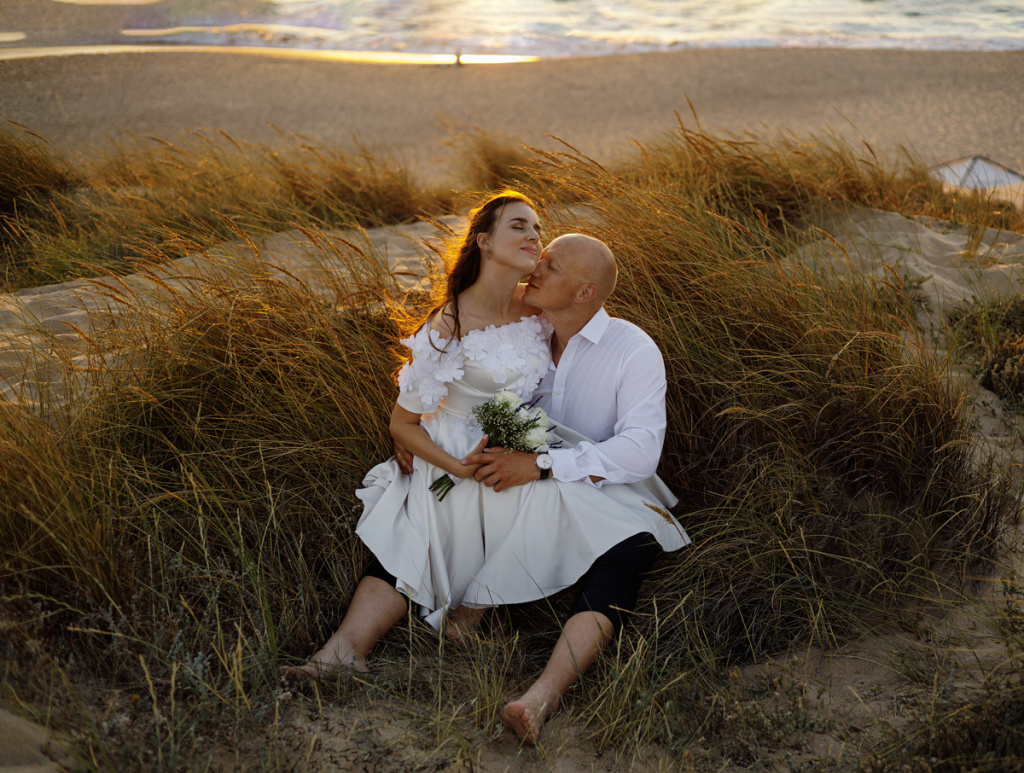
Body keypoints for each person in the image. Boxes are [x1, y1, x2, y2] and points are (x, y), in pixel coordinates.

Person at [281, 191, 688, 684]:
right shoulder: (449, 323)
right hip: (456, 453)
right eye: (519, 226)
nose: (534, 239)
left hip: (518, 448)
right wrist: (445, 458)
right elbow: (403, 420)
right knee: (418, 533)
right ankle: (344, 652)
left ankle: (470, 616)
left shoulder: (537, 311)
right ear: (484, 241)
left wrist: (527, 455)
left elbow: (572, 345)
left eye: (537, 230)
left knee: (587, 515)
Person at [457, 232, 682, 744]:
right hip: (524, 479)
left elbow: (640, 451)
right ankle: (464, 616)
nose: (535, 268)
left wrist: (541, 464)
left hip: (607, 488)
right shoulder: (522, 329)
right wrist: (410, 428)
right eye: (540, 258)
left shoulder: (632, 349)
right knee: (475, 493)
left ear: (585, 293)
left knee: (630, 551)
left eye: (551, 266)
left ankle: (542, 696)